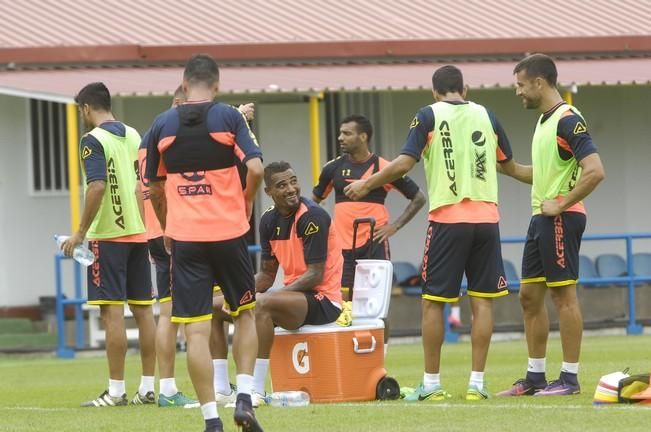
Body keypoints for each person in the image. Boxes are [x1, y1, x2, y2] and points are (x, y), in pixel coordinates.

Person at [345, 65, 530, 401]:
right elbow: (510, 166)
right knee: (482, 303)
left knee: (433, 303)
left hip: (448, 219)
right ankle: (477, 384)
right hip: (487, 220)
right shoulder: (488, 116)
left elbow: (404, 163)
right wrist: (550, 180)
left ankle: (431, 384)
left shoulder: (428, 115)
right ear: (466, 89)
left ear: (434, 92)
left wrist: (367, 182)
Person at [146, 54, 264, 432]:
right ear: (216, 84)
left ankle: (212, 421)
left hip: (186, 239)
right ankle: (244, 397)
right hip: (229, 233)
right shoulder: (229, 116)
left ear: (183, 84)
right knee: (244, 313)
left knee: (194, 329)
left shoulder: (161, 124)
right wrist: (244, 203)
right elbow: (258, 168)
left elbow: (154, 188)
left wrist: (167, 226)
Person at [497, 53, 604, 397]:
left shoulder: (568, 120)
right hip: (540, 219)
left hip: (560, 218)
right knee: (529, 297)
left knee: (563, 297)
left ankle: (569, 379)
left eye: (520, 85)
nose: (518, 92)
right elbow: (541, 175)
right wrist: (508, 167)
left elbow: (595, 170)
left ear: (539, 83)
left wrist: (561, 203)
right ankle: (535, 377)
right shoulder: (544, 121)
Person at [212, 161, 344, 404]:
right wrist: (236, 294)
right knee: (214, 306)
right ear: (269, 192)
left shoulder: (313, 217)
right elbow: (265, 276)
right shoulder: (268, 221)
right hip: (291, 299)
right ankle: (221, 389)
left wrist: (271, 297)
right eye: (282, 185)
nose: (291, 189)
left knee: (262, 304)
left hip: (323, 301)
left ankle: (256, 391)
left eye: (293, 181)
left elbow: (315, 275)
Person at [61, 82, 157, 407]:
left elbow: (98, 186)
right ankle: (147, 388)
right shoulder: (133, 134)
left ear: (86, 108)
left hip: (108, 236)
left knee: (111, 315)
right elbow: (142, 182)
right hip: (139, 232)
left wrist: (79, 232)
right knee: (145, 313)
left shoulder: (92, 140)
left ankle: (116, 392)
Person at [312, 115, 426, 308]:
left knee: (376, 304)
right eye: (340, 133)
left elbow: (419, 198)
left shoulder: (385, 168)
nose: (340, 137)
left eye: (346, 133)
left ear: (363, 137)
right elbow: (315, 202)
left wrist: (394, 227)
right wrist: (325, 230)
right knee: (343, 304)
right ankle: (348, 339)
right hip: (341, 249)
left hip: (374, 245)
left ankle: (383, 340)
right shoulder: (332, 168)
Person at [138, 86, 198, 408]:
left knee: (171, 310)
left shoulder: (147, 137)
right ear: (179, 104)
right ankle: (170, 389)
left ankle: (177, 386)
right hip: (173, 231)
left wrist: (148, 228)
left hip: (152, 230)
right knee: (173, 313)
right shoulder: (171, 137)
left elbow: (140, 189)